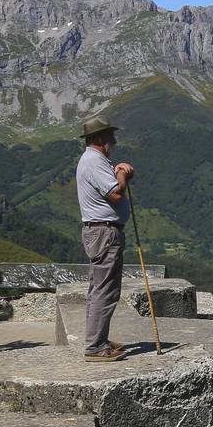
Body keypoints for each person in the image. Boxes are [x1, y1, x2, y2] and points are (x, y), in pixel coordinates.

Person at [76, 116, 134, 361]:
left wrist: (115, 169)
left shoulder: (95, 160)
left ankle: (98, 339)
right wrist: (123, 174)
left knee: (99, 288)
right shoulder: (94, 160)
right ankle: (95, 347)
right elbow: (116, 194)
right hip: (104, 232)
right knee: (105, 290)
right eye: (110, 136)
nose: (114, 140)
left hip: (99, 232)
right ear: (100, 139)